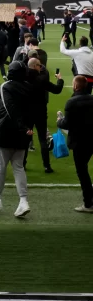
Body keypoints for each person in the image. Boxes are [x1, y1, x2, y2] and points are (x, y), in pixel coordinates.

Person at [0, 61, 34, 218]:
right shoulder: (29, 87)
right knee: (18, 167)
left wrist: (21, 126)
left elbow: (10, 107)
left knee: (0, 166)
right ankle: (23, 201)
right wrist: (27, 127)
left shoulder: (6, 86)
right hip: (23, 132)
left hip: (7, 130)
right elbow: (33, 109)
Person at [57, 75, 93, 213]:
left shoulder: (71, 102)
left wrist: (59, 121)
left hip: (79, 141)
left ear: (76, 86)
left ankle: (88, 203)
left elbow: (67, 123)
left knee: (82, 172)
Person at [27, 57, 63, 173]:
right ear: (35, 66)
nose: (41, 67)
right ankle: (47, 166)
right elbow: (57, 90)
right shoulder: (41, 80)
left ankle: (22, 163)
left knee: (26, 138)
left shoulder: (23, 78)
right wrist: (60, 80)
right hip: (41, 112)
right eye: (39, 65)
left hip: (27, 112)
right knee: (43, 139)